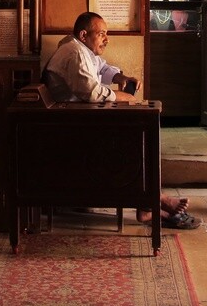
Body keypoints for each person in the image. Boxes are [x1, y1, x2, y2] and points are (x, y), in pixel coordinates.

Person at [43, 12, 199, 230]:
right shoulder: (74, 52)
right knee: (133, 142)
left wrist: (120, 78)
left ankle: (151, 199)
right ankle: (149, 203)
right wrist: (122, 96)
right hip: (70, 129)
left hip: (80, 121)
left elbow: (102, 68)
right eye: (102, 34)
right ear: (84, 34)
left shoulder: (81, 48)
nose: (106, 39)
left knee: (140, 138)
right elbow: (92, 93)